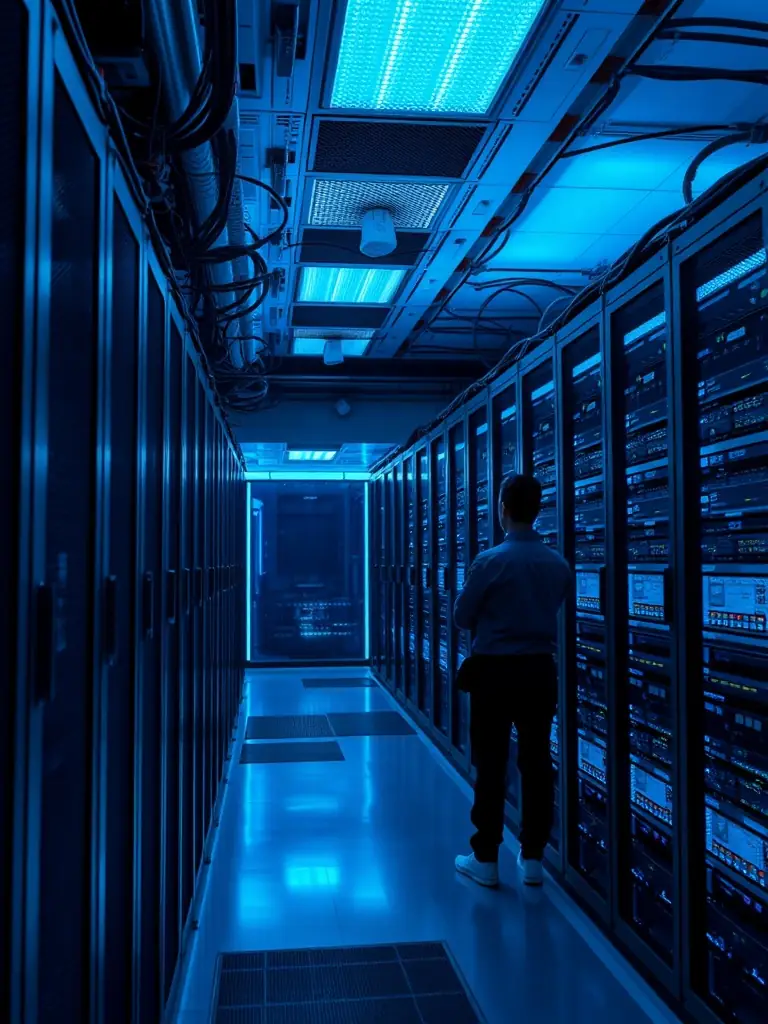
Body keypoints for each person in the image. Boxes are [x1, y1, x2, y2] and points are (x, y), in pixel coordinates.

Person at [453, 473, 571, 888]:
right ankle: (533, 857)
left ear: (503, 509)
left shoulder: (489, 562)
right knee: (537, 762)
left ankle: (485, 858)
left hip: (495, 674)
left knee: (491, 764)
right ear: (537, 510)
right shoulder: (558, 564)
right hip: (540, 672)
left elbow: (462, 617)